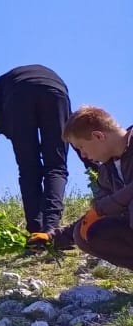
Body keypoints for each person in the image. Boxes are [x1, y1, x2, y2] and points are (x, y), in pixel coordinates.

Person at [28, 106, 132, 265]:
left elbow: (107, 206)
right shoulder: (106, 173)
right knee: (86, 232)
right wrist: (53, 238)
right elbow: (100, 212)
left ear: (98, 136)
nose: (83, 155)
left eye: (81, 147)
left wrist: (110, 204)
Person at [0, 65, 77, 234]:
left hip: (19, 94)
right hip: (56, 91)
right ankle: (51, 229)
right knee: (56, 166)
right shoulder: (3, 82)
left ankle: (35, 231)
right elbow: (73, 131)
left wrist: (17, 136)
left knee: (29, 169)